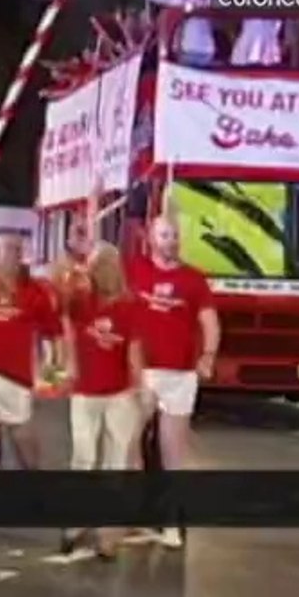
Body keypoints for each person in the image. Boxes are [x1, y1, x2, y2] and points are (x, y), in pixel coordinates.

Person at [125, 216, 221, 548]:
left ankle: (171, 522)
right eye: (164, 235)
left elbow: (210, 322)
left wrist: (208, 355)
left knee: (173, 452)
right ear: (151, 239)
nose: (171, 240)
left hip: (180, 375)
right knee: (128, 443)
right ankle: (135, 509)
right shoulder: (135, 270)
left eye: (175, 235)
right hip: (143, 373)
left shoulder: (193, 279)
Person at [59, 242, 144, 558]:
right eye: (94, 267)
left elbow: (134, 351)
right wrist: (69, 363)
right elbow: (62, 309)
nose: (98, 273)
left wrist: (139, 391)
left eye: (102, 267)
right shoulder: (81, 301)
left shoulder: (130, 306)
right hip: (85, 392)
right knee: (83, 457)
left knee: (115, 462)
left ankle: (107, 533)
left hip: (118, 394)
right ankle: (76, 521)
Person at [0, 232, 62, 475]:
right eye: (8, 248)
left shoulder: (34, 290)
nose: (15, 255)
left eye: (19, 249)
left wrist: (54, 375)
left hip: (17, 378)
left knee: (25, 447)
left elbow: (53, 333)